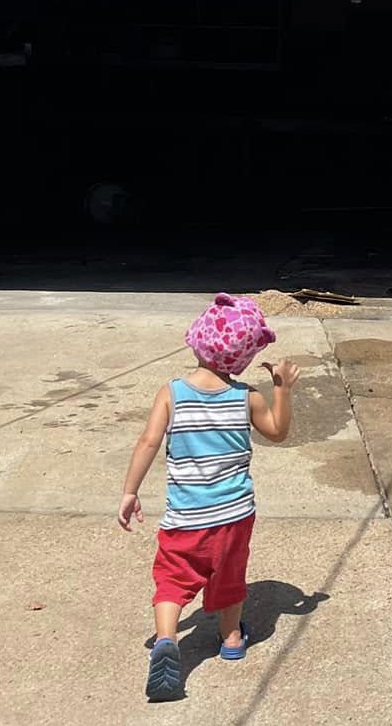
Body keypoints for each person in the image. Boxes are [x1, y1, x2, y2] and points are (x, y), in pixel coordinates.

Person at [118, 293, 297, 702]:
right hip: (234, 515)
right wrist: (282, 388)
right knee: (229, 578)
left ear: (197, 339)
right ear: (244, 356)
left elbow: (148, 442)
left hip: (185, 518)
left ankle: (167, 639)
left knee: (171, 579)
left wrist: (130, 491)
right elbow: (278, 432)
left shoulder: (172, 392)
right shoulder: (246, 397)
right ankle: (231, 637)